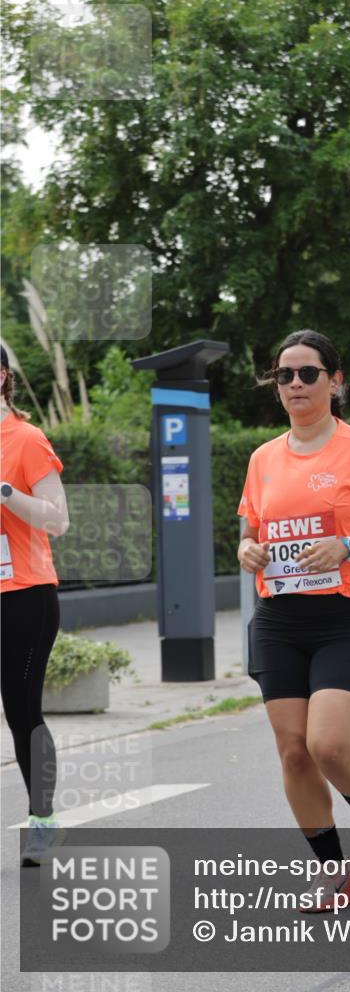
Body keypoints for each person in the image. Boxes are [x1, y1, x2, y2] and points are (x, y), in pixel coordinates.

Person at [237, 329, 350, 911]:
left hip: (342, 618)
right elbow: (250, 532)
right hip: (279, 621)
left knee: (329, 744)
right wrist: (246, 550)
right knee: (293, 752)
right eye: (283, 375)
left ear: (334, 381)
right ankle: (334, 876)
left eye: (307, 373)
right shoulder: (263, 458)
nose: (294, 384)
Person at [0, 343, 70, 864]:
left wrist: (4, 492)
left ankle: (42, 819)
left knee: (21, 709)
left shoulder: (25, 439)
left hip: (23, 595)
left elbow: (57, 519)